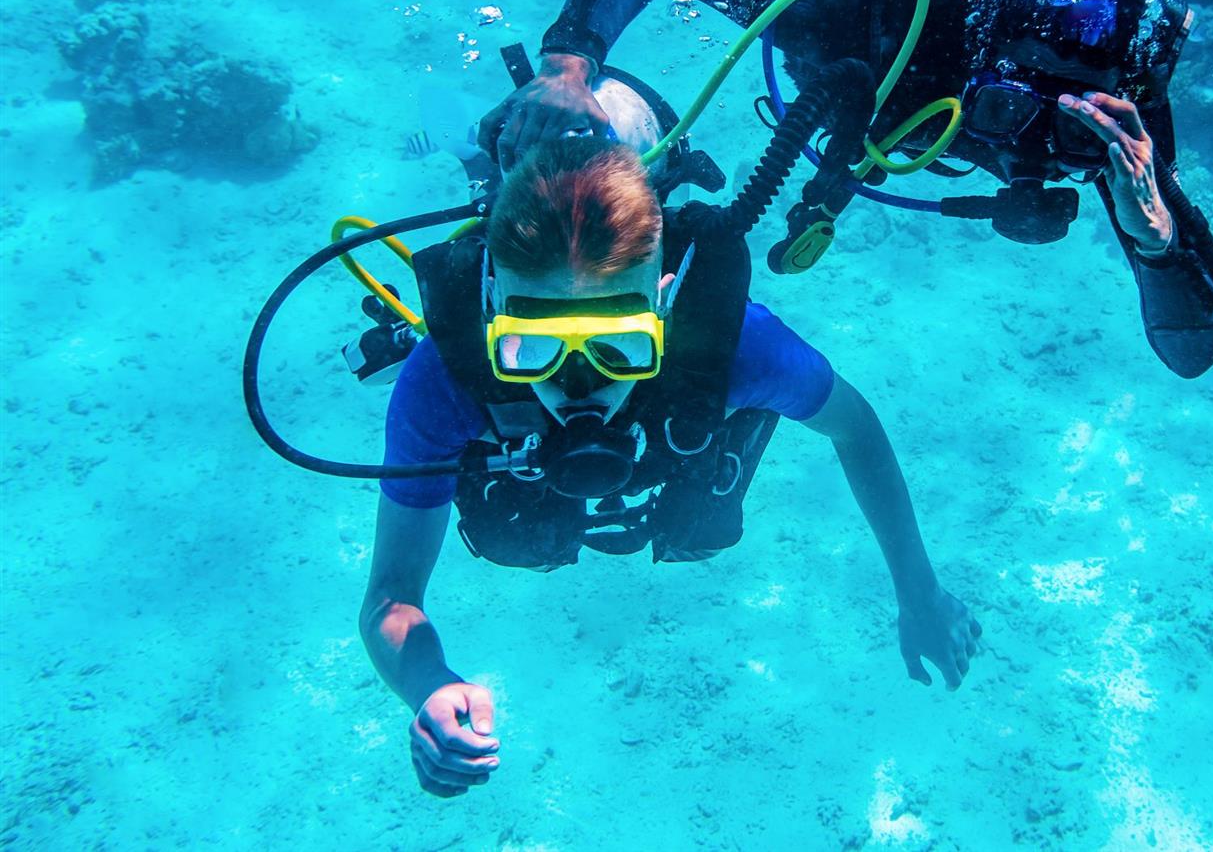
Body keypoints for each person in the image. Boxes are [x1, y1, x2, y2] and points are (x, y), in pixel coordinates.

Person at [478, 0, 1213, 441]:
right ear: (976, 53)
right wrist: (569, 66)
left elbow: (1195, 350)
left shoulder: (1112, 96)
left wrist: (1156, 240)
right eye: (1002, 105)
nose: (1025, 144)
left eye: (1055, 123)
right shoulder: (867, 2)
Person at [359, 134, 981, 797]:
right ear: (490, 311)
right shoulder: (443, 381)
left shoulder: (739, 347)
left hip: (685, 404)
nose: (581, 388)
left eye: (619, 347)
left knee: (702, 524)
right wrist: (427, 681)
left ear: (663, 302)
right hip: (511, 432)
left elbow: (855, 430)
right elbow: (390, 594)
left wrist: (920, 592)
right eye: (532, 350)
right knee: (512, 536)